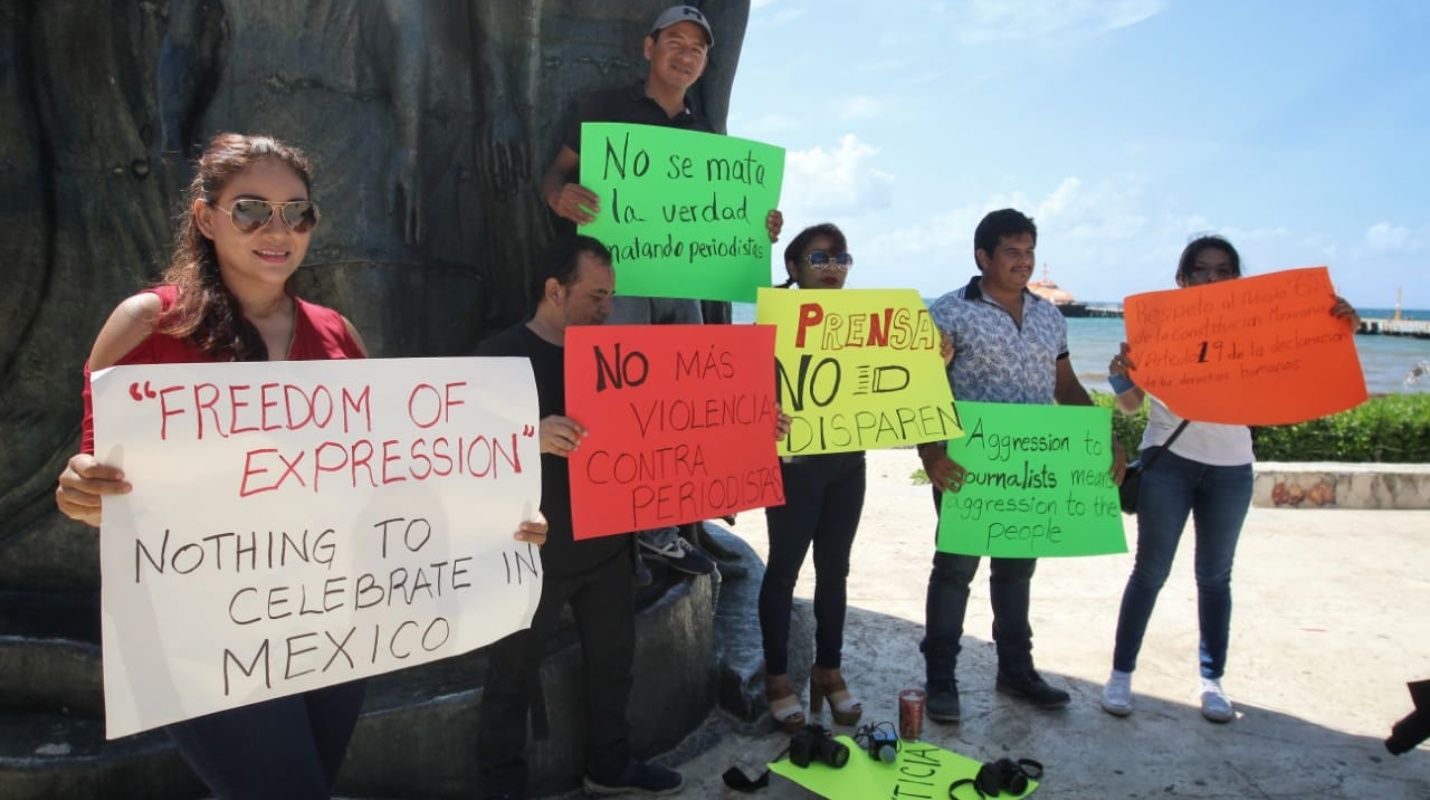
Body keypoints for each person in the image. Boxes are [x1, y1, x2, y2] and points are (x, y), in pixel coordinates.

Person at [52, 132, 547, 799]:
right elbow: (97, 480)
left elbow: (390, 476)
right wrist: (82, 490)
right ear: (206, 218)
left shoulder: (337, 333)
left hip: (332, 623)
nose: (277, 229)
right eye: (251, 209)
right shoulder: (146, 325)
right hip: (201, 633)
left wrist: (494, 520)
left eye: (298, 212)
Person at [538, 5, 784, 580]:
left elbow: (728, 214)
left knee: (686, 399)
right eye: (675, 41)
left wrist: (758, 226)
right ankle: (616, 531)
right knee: (620, 396)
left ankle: (662, 531)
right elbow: (557, 173)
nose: (686, 54)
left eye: (697, 48)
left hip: (686, 280)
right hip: (619, 279)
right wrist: (558, 197)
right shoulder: (606, 110)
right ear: (649, 48)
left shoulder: (705, 133)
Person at [1100, 235, 1359, 723]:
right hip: (1169, 461)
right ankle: (1120, 674)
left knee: (1215, 578)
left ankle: (1212, 680)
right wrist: (1121, 377)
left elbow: (1300, 371)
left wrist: (1339, 330)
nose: (1213, 279)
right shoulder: (1159, 326)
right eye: (1202, 269)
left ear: (1236, 278)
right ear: (1184, 277)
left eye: (1223, 270)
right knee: (1150, 572)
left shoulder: (1258, 328)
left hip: (1232, 467)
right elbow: (1132, 405)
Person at [472, 235, 680, 799]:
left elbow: (676, 424)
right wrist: (528, 438)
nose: (607, 309)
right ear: (554, 291)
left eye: (611, 297)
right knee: (511, 679)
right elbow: (455, 451)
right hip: (526, 555)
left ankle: (610, 766)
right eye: (595, 296)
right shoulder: (496, 357)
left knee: (614, 666)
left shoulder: (619, 359)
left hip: (608, 547)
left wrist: (755, 425)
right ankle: (502, 787)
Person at [916, 208, 1127, 724]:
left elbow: (1066, 387)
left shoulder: (1050, 317)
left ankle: (1016, 669)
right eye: (1011, 251)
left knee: (1016, 574)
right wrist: (931, 454)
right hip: (967, 466)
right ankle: (940, 676)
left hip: (1032, 470)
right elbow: (920, 388)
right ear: (982, 256)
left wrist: (1106, 438)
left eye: (1028, 251)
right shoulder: (947, 312)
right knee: (954, 573)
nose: (1023, 261)